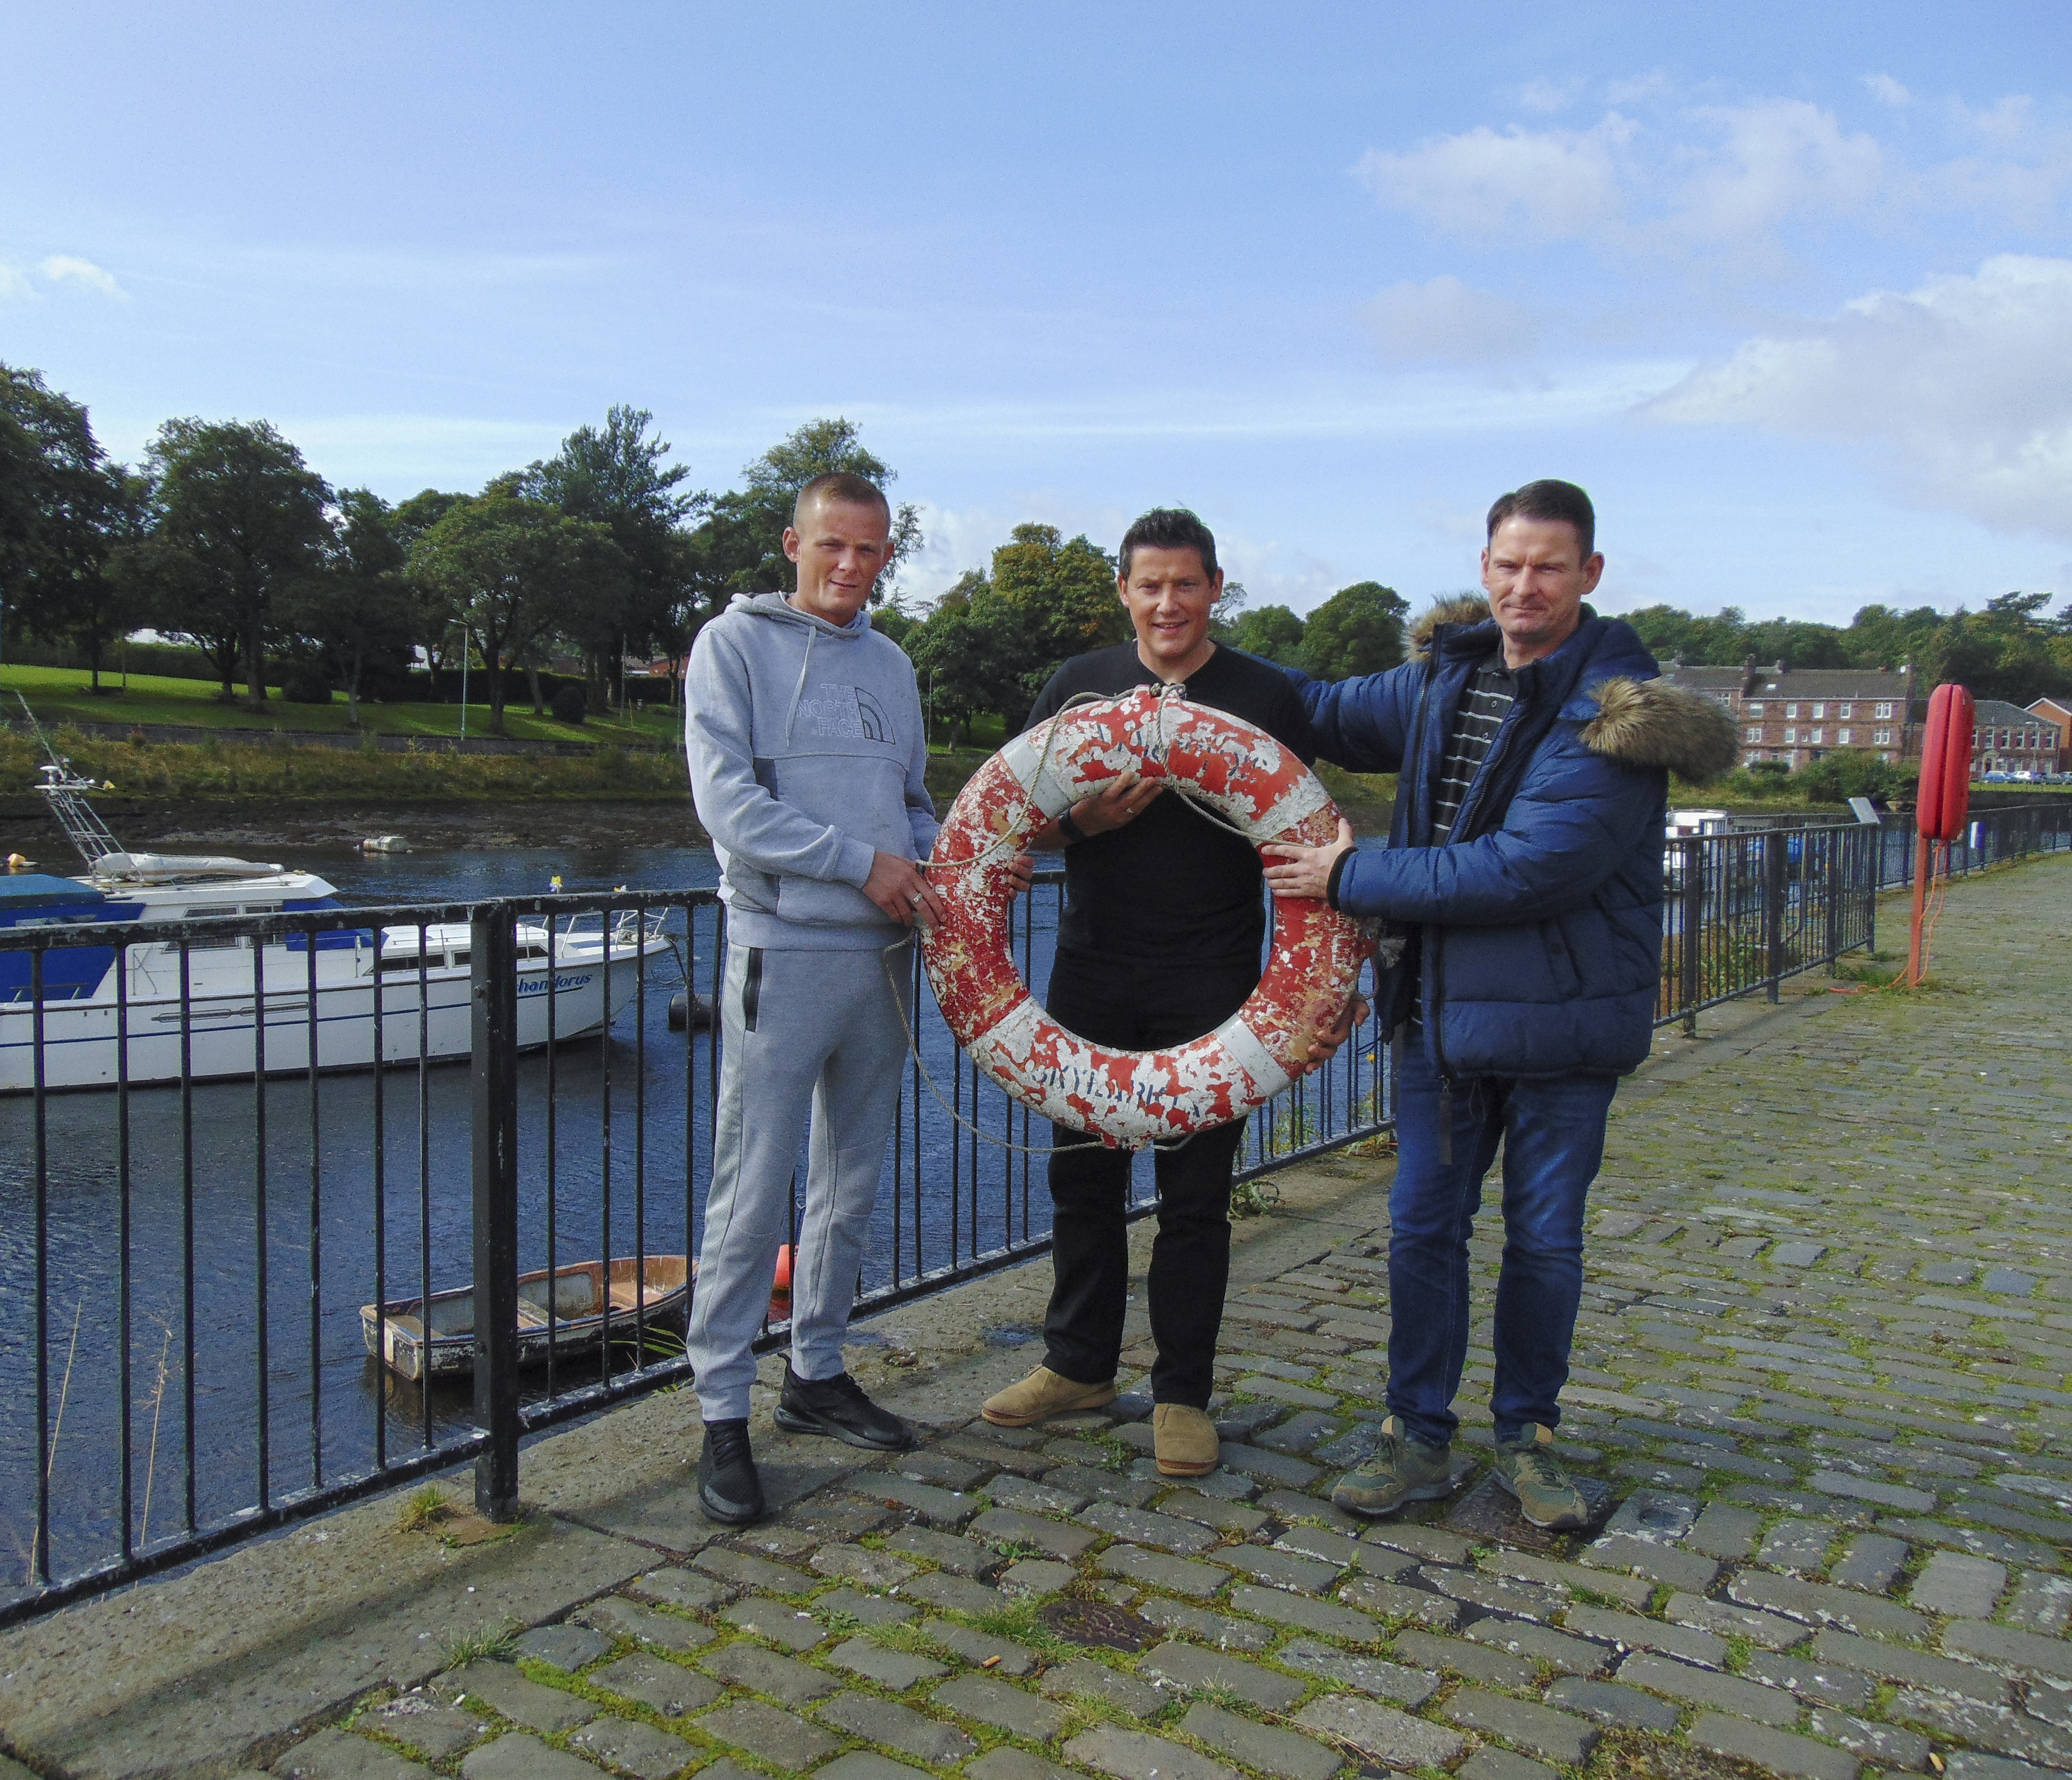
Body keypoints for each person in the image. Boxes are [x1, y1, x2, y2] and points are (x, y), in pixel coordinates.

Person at [1265, 479, 1735, 1528]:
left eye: (1549, 567)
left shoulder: (1617, 721)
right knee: (1420, 1231)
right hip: (1439, 1020)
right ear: (1483, 570)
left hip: (1559, 1028)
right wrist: (1180, 663)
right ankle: (1414, 1437)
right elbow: (1319, 711)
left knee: (1543, 1241)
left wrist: (1346, 877)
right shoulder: (1444, 679)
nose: (1525, 586)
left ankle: (1528, 1438)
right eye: (1509, 565)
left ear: (1589, 576)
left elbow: (1523, 870)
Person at [979, 506, 1331, 1480]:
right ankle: (1077, 1365)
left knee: (1194, 1198)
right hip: (1091, 965)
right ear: (1123, 591)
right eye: (1148, 585)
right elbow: (1016, 822)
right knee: (1080, 1183)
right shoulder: (1076, 687)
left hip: (1212, 975)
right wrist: (1080, 822)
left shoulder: (1264, 693)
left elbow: (1311, 824)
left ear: (1214, 587)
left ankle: (1181, 1394)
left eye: (1185, 584)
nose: (1166, 603)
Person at [683, 471, 942, 1525]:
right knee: (751, 1190)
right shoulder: (729, 647)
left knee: (852, 1179)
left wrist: (927, 873)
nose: (850, 567)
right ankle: (719, 1414)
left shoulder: (892, 663)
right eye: (832, 545)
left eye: (871, 550)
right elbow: (726, 803)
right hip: (781, 952)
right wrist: (857, 862)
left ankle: (816, 1373)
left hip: (886, 957)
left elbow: (915, 803)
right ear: (792, 542)